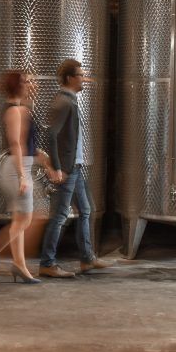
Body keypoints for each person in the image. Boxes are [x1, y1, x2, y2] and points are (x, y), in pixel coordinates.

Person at [38, 59, 113, 278]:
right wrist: (58, 167)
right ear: (70, 78)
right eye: (80, 75)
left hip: (76, 167)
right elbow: (50, 134)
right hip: (68, 170)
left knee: (86, 210)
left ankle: (87, 259)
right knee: (60, 216)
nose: (84, 79)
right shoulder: (64, 102)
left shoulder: (71, 100)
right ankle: (47, 263)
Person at [0, 71, 54, 284]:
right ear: (18, 86)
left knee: (21, 219)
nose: (31, 84)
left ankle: (19, 265)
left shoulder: (23, 109)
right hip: (15, 168)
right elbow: (17, 144)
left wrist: (45, 162)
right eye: (26, 81)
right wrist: (23, 176)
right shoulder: (16, 110)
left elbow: (29, 146)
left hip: (20, 165)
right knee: (26, 219)